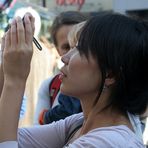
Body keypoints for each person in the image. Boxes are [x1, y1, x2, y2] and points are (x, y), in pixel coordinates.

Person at [0, 12, 148, 148]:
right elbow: (7, 136)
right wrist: (6, 60)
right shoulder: (79, 123)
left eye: (80, 49)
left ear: (110, 75)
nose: (64, 58)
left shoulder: (109, 142)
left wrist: (15, 80)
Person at [34, 11, 88, 125]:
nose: (71, 55)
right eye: (67, 47)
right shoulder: (50, 87)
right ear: (57, 50)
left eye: (79, 47)